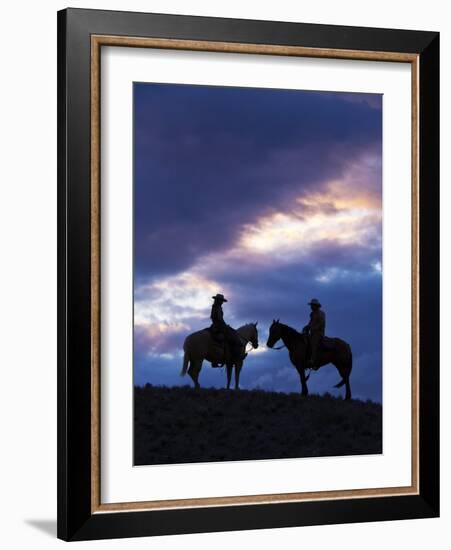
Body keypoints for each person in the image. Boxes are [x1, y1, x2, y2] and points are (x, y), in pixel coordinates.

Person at [210, 294, 244, 367]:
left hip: (217, 325)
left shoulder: (215, 307)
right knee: (233, 336)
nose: (222, 302)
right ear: (218, 300)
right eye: (221, 301)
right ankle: (233, 356)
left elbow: (214, 318)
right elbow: (219, 319)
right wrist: (224, 325)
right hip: (219, 325)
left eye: (222, 301)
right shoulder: (217, 307)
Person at [302, 298, 326, 370]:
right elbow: (310, 322)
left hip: (319, 333)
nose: (311, 307)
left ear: (316, 306)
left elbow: (321, 323)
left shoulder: (321, 313)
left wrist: (312, 328)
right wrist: (306, 327)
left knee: (314, 342)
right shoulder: (312, 314)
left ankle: (313, 360)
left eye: (312, 305)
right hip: (312, 332)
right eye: (311, 305)